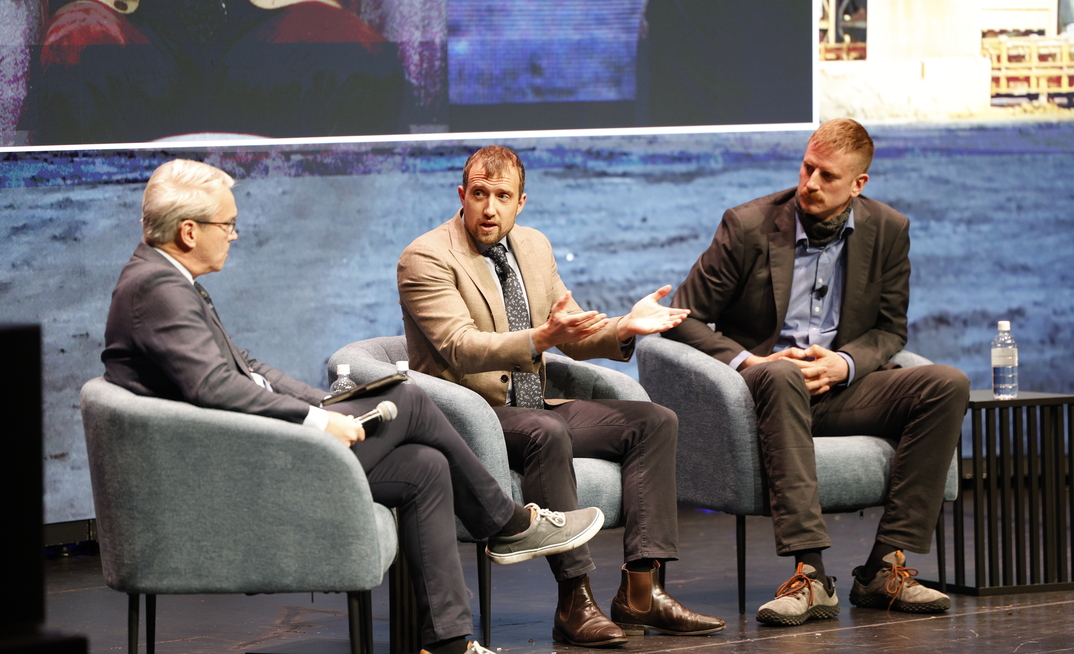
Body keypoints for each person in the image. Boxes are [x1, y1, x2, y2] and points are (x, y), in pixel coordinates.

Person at [101, 159, 605, 654]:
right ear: (189, 232)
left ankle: (450, 642)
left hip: (247, 448)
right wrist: (316, 419)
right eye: (227, 224)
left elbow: (248, 369)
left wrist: (322, 402)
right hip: (235, 470)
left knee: (425, 468)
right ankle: (509, 524)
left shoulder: (165, 280)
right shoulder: (158, 290)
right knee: (407, 396)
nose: (233, 234)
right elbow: (215, 388)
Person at [397, 145, 725, 647]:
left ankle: (642, 593)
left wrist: (620, 326)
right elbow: (461, 347)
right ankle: (575, 600)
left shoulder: (533, 246)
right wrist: (541, 339)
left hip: (532, 407)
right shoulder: (426, 258)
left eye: (501, 196)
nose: (489, 208)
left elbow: (566, 330)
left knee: (654, 421)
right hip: (470, 416)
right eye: (479, 194)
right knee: (544, 432)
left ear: (520, 202)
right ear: (462, 196)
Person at [665, 118, 970, 626]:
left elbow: (891, 330)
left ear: (858, 184)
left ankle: (883, 569)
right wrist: (753, 361)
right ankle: (811, 576)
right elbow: (683, 316)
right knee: (783, 376)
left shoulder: (889, 230)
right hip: (765, 389)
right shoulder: (748, 225)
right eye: (807, 168)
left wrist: (845, 364)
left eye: (827, 176)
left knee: (947, 383)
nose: (810, 183)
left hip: (840, 389)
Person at [21, 0, 405, 144]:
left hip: (260, 21)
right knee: (78, 46)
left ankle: (343, 242)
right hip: (141, 21)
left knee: (359, 55)